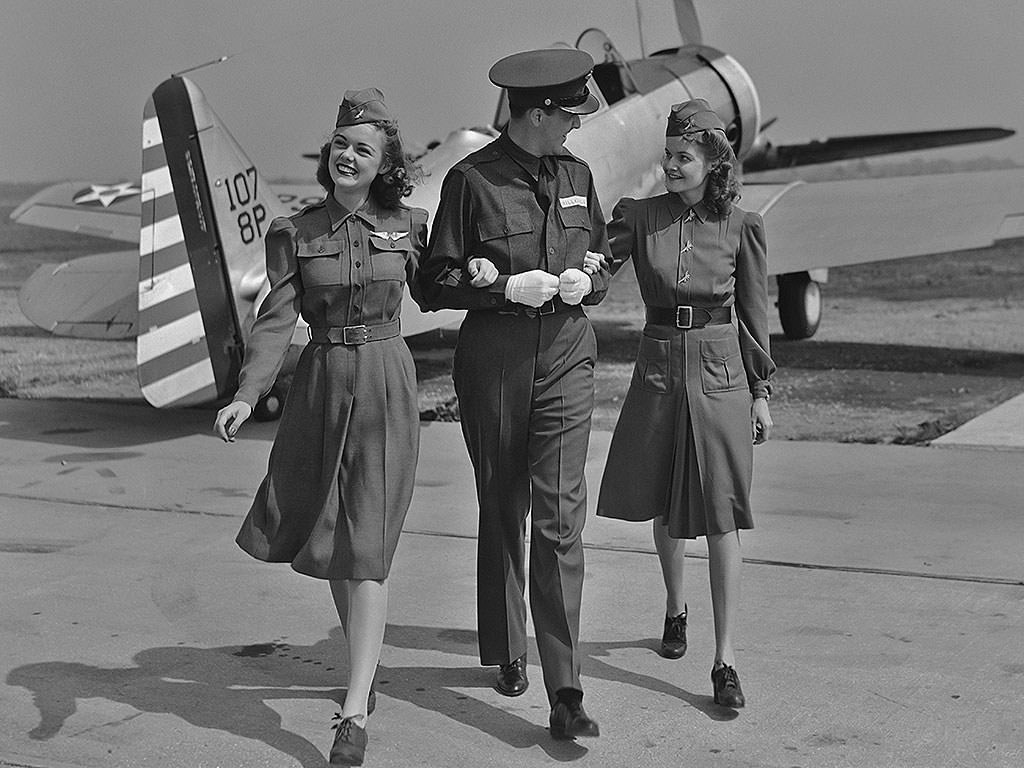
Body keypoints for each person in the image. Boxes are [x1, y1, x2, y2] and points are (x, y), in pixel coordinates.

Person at [213, 88, 426, 766]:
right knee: (336, 542)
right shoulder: (296, 233)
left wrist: (497, 280)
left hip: (388, 386)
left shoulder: (409, 225)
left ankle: (355, 708)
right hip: (322, 386)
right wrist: (249, 394)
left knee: (367, 550)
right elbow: (276, 322)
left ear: (385, 161)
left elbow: (448, 289)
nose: (347, 155)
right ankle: (364, 671)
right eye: (340, 144)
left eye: (363, 147)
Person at [417, 48, 612, 739]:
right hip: (495, 356)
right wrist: (500, 288)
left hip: (566, 352)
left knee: (560, 516)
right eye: (568, 115)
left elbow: (603, 255)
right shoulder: (470, 182)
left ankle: (565, 686)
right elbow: (432, 281)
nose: (577, 126)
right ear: (537, 114)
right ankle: (505, 646)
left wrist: (593, 281)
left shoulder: (578, 176)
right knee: (504, 502)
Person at [592, 99, 775, 709]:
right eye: (667, 155)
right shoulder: (639, 217)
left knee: (722, 512)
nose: (670, 165)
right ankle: (676, 607)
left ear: (711, 163)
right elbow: (594, 267)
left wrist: (761, 392)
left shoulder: (742, 227)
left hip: (723, 371)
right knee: (665, 504)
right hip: (660, 367)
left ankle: (725, 660)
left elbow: (755, 316)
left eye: (683, 157)